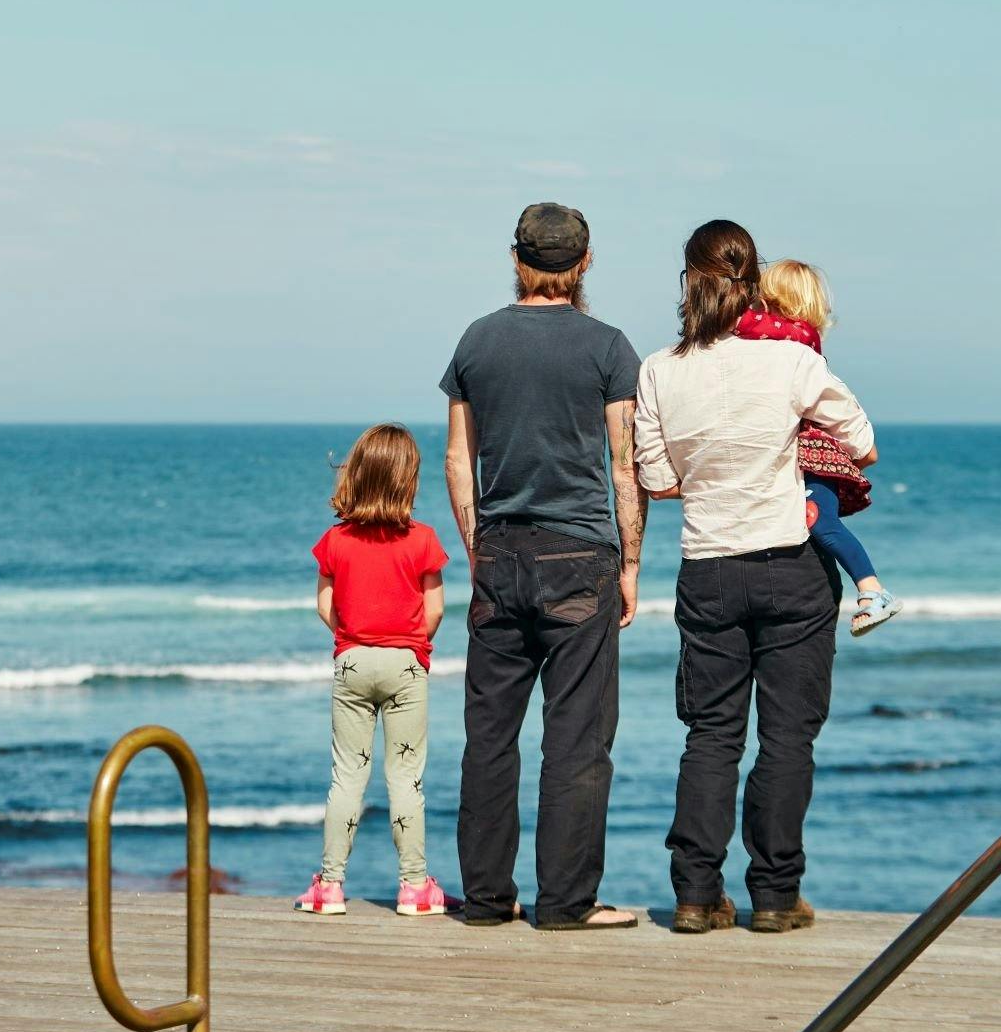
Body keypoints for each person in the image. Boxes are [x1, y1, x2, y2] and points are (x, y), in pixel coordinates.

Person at [635, 220, 876, 935]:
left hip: (708, 566)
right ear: (755, 281)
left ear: (688, 282)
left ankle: (695, 893)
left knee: (710, 736)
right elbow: (863, 441)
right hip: (791, 566)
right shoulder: (790, 363)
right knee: (787, 739)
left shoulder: (658, 368)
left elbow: (655, 477)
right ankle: (775, 894)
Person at [440, 202, 644, 930]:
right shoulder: (609, 347)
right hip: (580, 555)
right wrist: (631, 563)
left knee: (490, 736)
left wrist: (475, 549)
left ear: (515, 257)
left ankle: (489, 898)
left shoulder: (476, 340)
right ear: (584, 262)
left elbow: (458, 460)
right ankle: (565, 901)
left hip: (498, 551)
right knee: (578, 738)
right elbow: (623, 465)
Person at [295, 423, 451, 919]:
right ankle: (414, 887)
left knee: (347, 776)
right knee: (406, 777)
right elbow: (435, 609)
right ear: (408, 481)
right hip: (407, 664)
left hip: (353, 661)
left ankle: (331, 886)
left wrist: (351, 636)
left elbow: (325, 605)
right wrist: (414, 647)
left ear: (357, 475)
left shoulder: (336, 540)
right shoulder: (423, 539)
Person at [737, 259, 897, 635]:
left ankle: (873, 590)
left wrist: (724, 315)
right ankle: (869, 589)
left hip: (813, 458)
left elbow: (742, 325)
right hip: (805, 457)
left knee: (820, 519)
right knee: (815, 519)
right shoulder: (790, 340)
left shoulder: (794, 338)